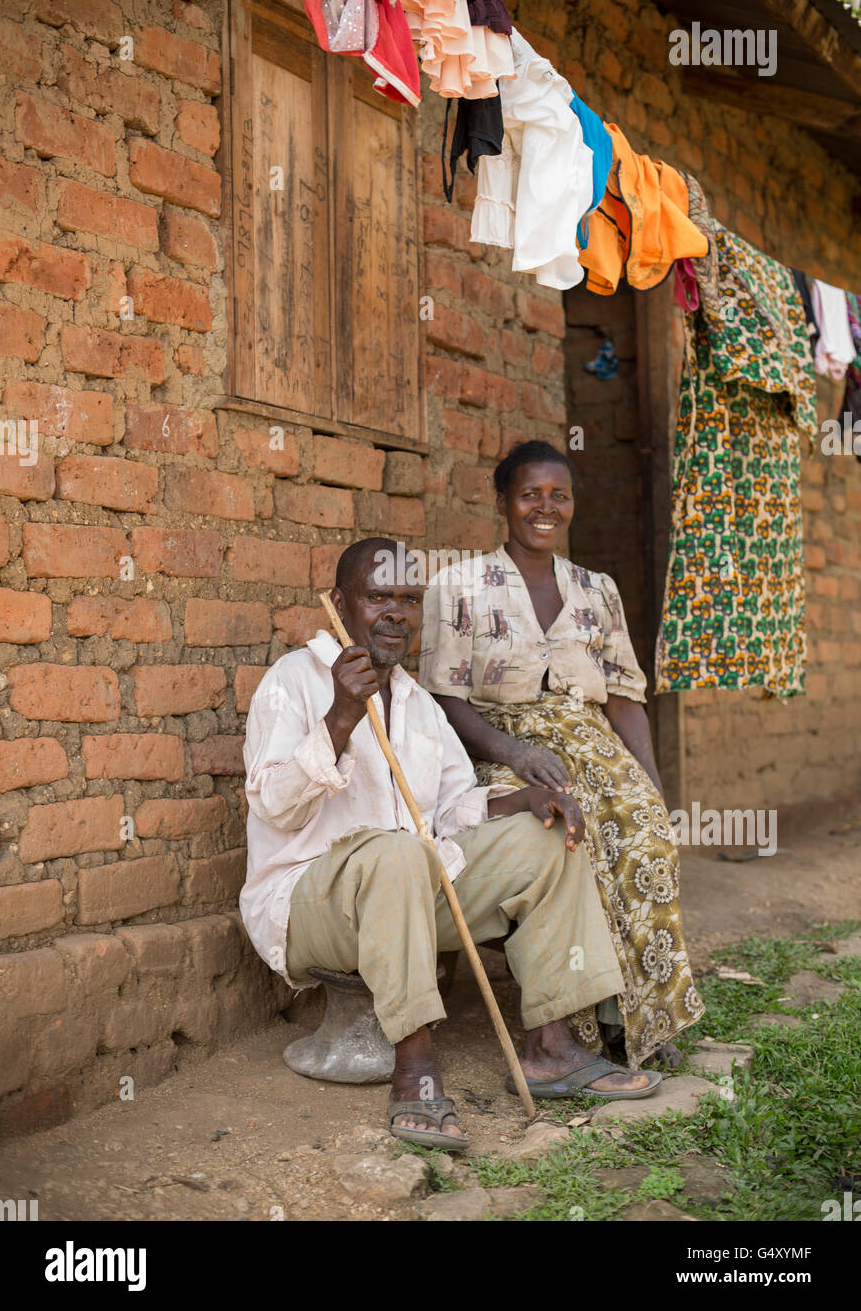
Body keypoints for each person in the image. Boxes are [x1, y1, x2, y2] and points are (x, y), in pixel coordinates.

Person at [240, 537, 660, 1153]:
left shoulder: (414, 700)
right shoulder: (294, 681)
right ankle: (415, 1073)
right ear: (340, 603)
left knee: (546, 841)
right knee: (398, 852)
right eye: (377, 596)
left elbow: (453, 810)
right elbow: (272, 802)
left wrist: (520, 802)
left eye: (409, 600)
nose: (395, 613)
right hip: (309, 905)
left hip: (407, 888)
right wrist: (339, 717)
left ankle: (552, 1049)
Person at [419, 441, 705, 1070]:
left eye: (560, 495)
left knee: (644, 831)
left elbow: (625, 698)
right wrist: (515, 752)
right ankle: (583, 1020)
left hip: (592, 744)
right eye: (530, 495)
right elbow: (443, 697)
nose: (545, 508)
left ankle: (642, 1019)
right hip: (500, 747)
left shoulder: (596, 590)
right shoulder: (459, 585)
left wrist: (649, 784)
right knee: (572, 832)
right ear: (503, 503)